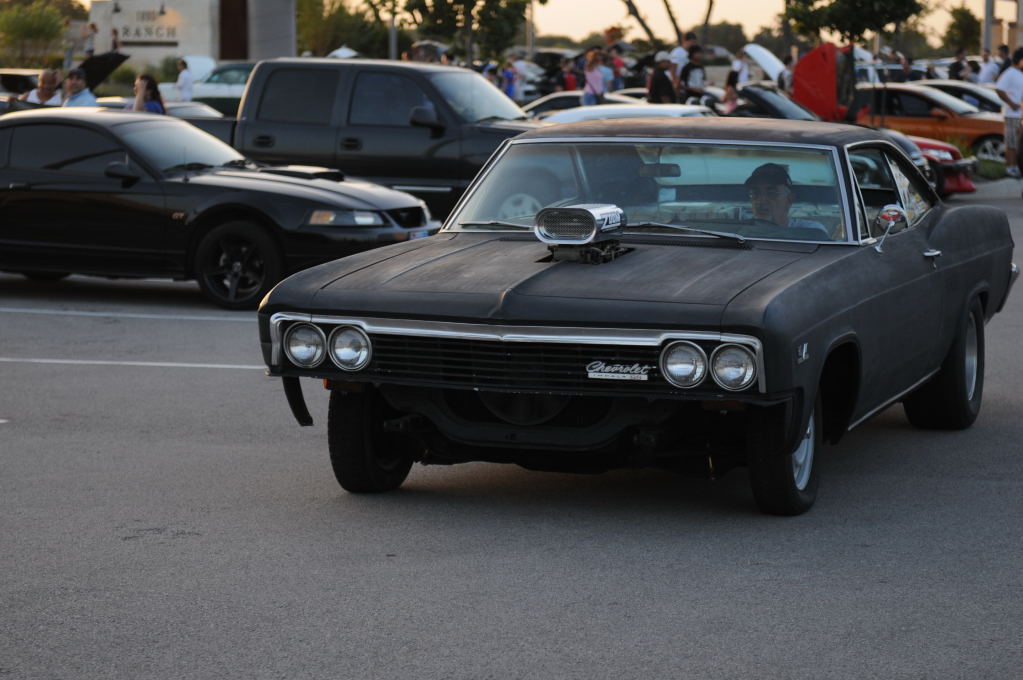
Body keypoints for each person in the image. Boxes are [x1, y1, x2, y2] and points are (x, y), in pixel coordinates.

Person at [745, 163, 827, 234]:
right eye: (755, 193)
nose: (761, 200)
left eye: (771, 193)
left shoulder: (810, 231)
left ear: (790, 199)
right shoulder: (742, 232)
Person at [995, 47, 1023, 178]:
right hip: (1011, 114)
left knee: (1017, 143)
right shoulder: (1010, 73)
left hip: (1019, 115)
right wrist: (1011, 103)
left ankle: (1016, 166)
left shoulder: (1019, 74)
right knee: (1011, 142)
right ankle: (1011, 168)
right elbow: (999, 89)